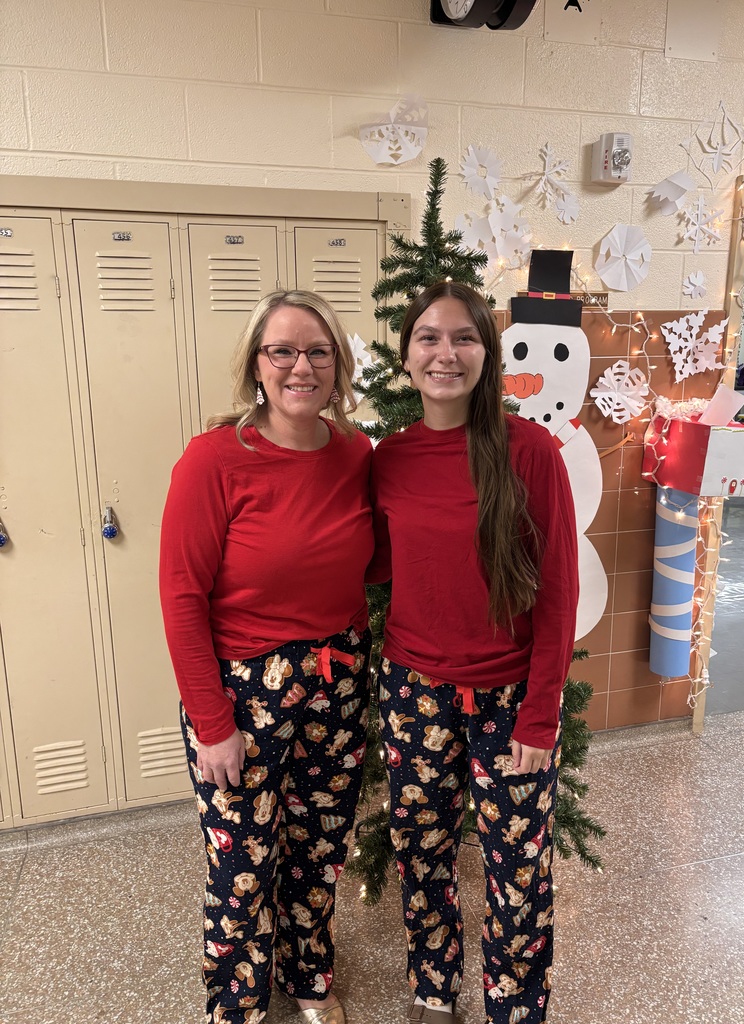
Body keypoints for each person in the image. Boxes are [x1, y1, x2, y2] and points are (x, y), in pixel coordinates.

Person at [159, 290, 375, 1024]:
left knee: (319, 847)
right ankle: (237, 1003)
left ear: (338, 366)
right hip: (244, 691)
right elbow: (181, 596)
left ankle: (308, 976)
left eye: (317, 351)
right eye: (282, 350)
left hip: (338, 680)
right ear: (257, 363)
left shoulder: (355, 452)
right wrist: (211, 720)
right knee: (242, 862)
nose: (300, 367)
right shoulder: (213, 459)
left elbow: (368, 564)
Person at [371, 282, 579, 1024]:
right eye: (428, 337)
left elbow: (558, 589)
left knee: (518, 872)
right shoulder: (388, 458)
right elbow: (366, 561)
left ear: (487, 354)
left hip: (509, 698)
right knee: (421, 856)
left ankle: (514, 1003)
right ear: (405, 355)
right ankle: (433, 987)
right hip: (413, 692)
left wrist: (540, 714)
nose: (445, 353)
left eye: (464, 338)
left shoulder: (529, 450)